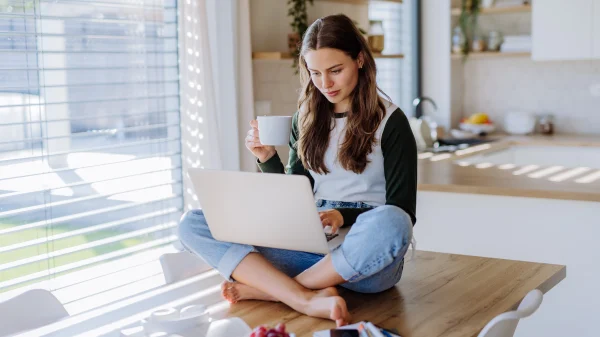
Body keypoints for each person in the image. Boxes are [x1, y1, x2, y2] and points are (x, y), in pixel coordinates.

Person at [178, 14, 417, 327]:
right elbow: (294, 196)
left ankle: (276, 291)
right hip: (309, 247)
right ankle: (302, 296)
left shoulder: (391, 122)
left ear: (360, 59)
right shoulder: (304, 118)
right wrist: (266, 158)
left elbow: (403, 211)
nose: (325, 84)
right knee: (192, 224)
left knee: (393, 222)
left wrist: (343, 216)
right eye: (315, 72)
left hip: (363, 260)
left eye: (335, 70)